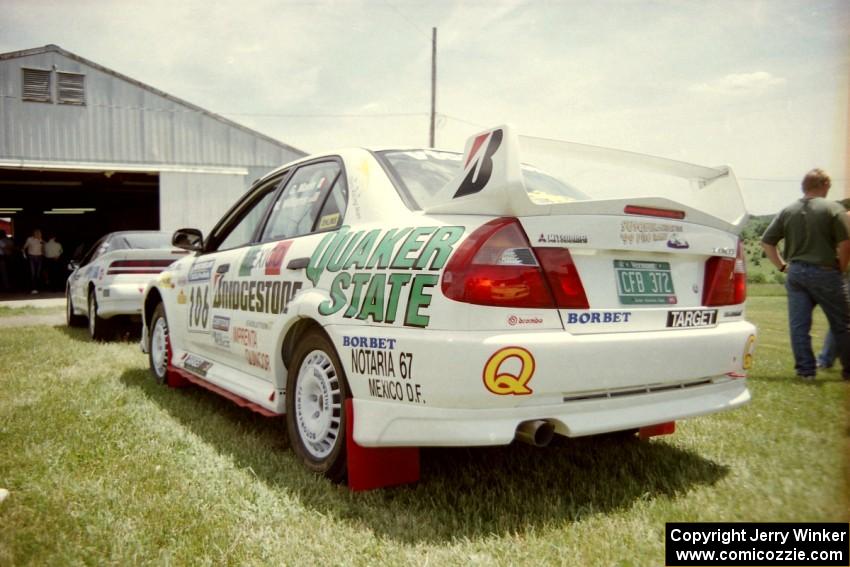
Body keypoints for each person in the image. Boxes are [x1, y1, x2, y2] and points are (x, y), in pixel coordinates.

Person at [761, 169, 850, 381]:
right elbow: (846, 243)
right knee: (842, 323)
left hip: (796, 272)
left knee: (799, 326)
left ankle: (805, 371)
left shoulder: (787, 210)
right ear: (825, 185)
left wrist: (782, 266)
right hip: (826, 271)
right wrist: (842, 267)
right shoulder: (833, 209)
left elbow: (767, 242)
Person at [23, 228, 44, 294]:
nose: (38, 234)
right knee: (33, 273)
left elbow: (43, 249)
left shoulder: (41, 240)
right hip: (31, 257)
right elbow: (24, 247)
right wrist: (25, 256)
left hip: (39, 257)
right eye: (37, 233)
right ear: (34, 233)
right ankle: (33, 288)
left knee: (38, 274)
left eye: (39, 233)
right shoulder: (29, 239)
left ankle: (37, 288)